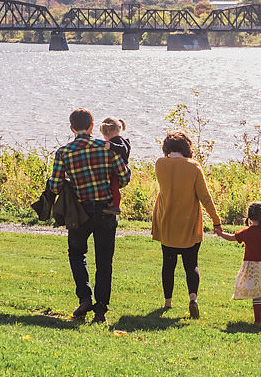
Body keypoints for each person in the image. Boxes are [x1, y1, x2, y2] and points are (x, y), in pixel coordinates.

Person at [47, 108, 131, 324]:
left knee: (76, 254)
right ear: (93, 126)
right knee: (104, 261)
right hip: (105, 211)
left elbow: (55, 186)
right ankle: (101, 309)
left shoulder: (63, 152)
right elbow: (123, 178)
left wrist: (68, 181)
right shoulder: (106, 148)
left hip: (79, 213)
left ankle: (85, 297)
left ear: (72, 128)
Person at [151, 131, 222, 319]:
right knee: (191, 264)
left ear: (167, 148)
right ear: (187, 148)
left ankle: (167, 302)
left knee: (168, 263)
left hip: (166, 220)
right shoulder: (193, 167)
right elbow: (205, 197)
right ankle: (192, 298)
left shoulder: (160, 164)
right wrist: (216, 220)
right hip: (188, 221)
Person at [216, 201, 261, 325]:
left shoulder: (247, 232)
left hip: (251, 267)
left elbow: (232, 237)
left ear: (250, 217)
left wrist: (220, 233)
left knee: (257, 292)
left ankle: (259, 319)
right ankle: (260, 318)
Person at [99, 117, 130, 215]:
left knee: (114, 187)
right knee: (113, 186)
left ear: (106, 133)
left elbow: (123, 150)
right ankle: (113, 203)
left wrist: (111, 146)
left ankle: (116, 206)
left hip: (119, 169)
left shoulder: (117, 140)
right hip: (118, 168)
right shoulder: (121, 140)